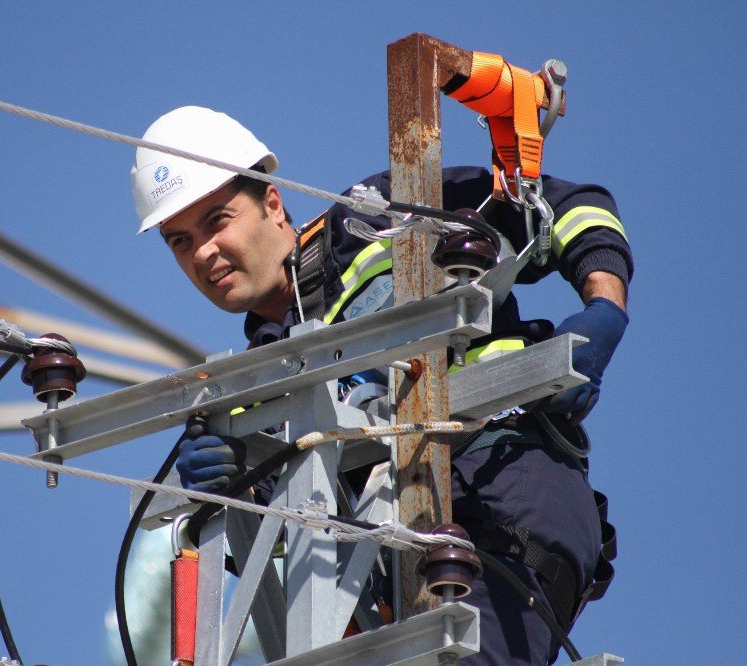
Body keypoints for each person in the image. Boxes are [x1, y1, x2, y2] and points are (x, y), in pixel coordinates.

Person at [130, 106, 631, 665]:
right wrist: (229, 489)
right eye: (179, 240)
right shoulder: (249, 389)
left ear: (272, 202)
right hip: (386, 575)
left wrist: (603, 309)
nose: (202, 252)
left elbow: (568, 206)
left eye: (217, 219)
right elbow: (280, 534)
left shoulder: (375, 217)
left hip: (506, 495)